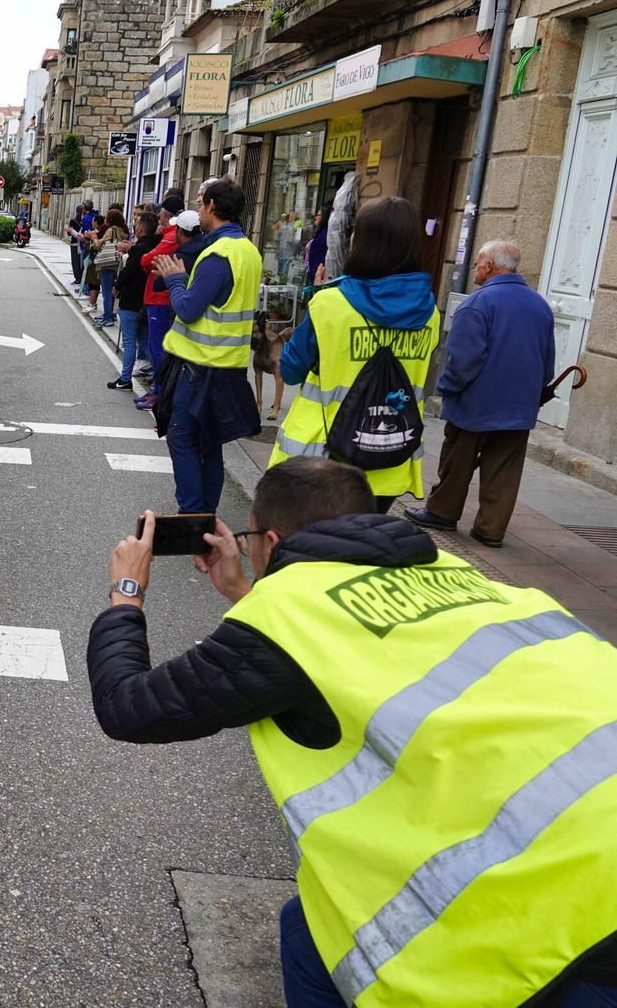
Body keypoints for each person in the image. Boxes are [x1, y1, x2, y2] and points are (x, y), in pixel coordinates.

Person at [89, 456, 617, 1008]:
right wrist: (242, 589)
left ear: (270, 539)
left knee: (335, 941)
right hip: (586, 823)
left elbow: (128, 706)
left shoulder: (287, 616)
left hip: (580, 916)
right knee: (309, 926)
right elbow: (357, 642)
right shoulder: (473, 582)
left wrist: (127, 591)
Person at [271, 197, 439, 514]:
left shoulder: (330, 303)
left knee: (316, 555)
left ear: (361, 242)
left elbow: (290, 370)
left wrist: (316, 305)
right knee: (360, 554)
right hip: (390, 458)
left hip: (326, 457)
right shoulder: (429, 312)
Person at [404, 240, 554, 548]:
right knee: (504, 469)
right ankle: (491, 529)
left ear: (489, 266)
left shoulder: (477, 303)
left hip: (475, 403)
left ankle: (442, 512)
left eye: (477, 263)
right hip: (519, 406)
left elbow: (462, 359)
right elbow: (547, 361)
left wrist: (446, 388)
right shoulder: (539, 305)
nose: (475, 269)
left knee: (458, 460)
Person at [150, 180, 262, 514]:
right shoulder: (248, 251)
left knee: (181, 437)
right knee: (209, 442)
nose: (197, 208)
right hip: (229, 363)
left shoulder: (218, 255)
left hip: (200, 366)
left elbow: (187, 308)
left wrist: (174, 279)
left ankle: (192, 515)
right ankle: (204, 515)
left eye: (200, 203)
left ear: (212, 206)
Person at [132, 190, 186, 411]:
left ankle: (160, 394)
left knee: (158, 349)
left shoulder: (172, 236)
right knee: (157, 348)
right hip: (158, 297)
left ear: (165, 214)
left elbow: (146, 261)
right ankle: (157, 391)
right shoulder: (169, 235)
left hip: (160, 299)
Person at [107, 210, 159, 391]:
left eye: (137, 224)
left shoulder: (139, 249)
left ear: (141, 228)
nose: (135, 227)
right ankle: (161, 376)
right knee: (145, 341)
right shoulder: (157, 245)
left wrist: (116, 286)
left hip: (132, 300)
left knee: (129, 342)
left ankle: (125, 379)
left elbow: (128, 272)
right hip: (147, 302)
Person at [92, 208, 128, 329]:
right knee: (113, 291)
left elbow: (99, 245)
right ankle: (111, 315)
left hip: (107, 264)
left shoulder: (110, 230)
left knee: (107, 293)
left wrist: (94, 238)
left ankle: (108, 317)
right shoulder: (122, 231)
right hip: (116, 264)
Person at [65, 204, 88, 288]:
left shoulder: (73, 220)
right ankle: (81, 278)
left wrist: (70, 231)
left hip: (75, 243)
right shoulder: (86, 220)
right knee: (81, 262)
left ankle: (77, 278)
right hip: (84, 243)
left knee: (75, 261)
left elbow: (69, 233)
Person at [306, 206, 329, 286]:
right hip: (315, 271)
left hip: (320, 273)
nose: (316, 217)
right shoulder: (320, 232)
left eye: (318, 215)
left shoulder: (324, 233)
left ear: (323, 218)